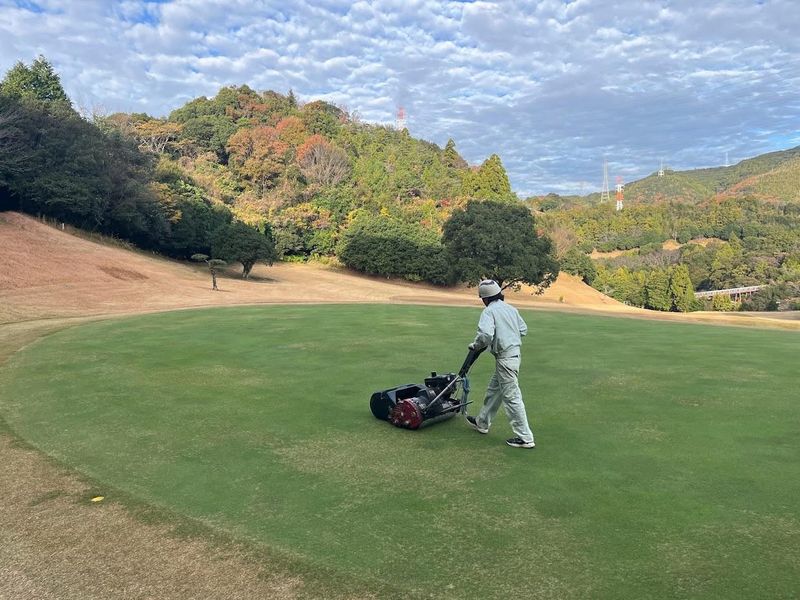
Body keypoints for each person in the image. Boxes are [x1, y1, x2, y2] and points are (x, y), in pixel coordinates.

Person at [465, 279, 536, 449]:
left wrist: (475, 346)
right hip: (513, 356)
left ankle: (526, 438)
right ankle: (482, 423)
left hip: (505, 359)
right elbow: (523, 329)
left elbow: (485, 336)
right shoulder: (511, 309)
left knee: (512, 397)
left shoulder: (489, 312)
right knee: (494, 391)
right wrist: (508, 336)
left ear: (485, 298)